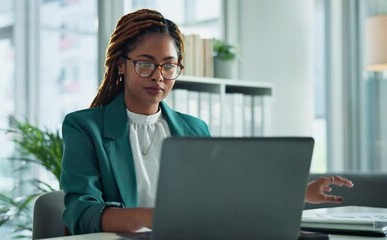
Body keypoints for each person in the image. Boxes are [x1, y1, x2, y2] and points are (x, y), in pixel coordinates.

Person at [60, 9, 354, 235]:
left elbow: (224, 196)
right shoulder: (85, 127)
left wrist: (299, 192)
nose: (159, 76)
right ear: (122, 65)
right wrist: (151, 216)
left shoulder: (193, 129)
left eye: (169, 65)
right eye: (146, 63)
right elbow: (81, 213)